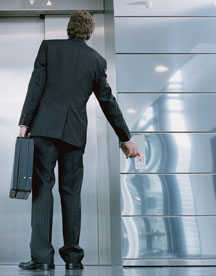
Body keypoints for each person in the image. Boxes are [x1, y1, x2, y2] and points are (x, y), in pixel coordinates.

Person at [17, 10, 142, 271]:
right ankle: (73, 259)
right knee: (71, 193)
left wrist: (25, 122)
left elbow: (35, 86)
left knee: (42, 190)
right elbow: (108, 102)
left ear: (68, 29)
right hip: (74, 135)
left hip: (45, 130)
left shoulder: (49, 49)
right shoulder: (96, 61)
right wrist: (126, 137)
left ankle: (42, 258)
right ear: (90, 33)